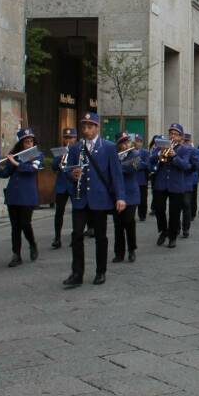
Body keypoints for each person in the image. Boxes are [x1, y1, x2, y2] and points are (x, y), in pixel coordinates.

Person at [63, 112, 126, 287]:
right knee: (76, 235)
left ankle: (100, 271)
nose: (86, 130)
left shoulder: (108, 147)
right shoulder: (76, 148)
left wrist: (120, 197)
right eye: (84, 126)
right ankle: (77, 273)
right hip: (80, 198)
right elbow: (68, 169)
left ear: (97, 128)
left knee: (100, 236)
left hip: (100, 198)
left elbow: (116, 174)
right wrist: (72, 174)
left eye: (90, 126)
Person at [0, 127, 42, 267]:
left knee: (25, 223)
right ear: (21, 144)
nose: (29, 144)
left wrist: (16, 163)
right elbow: (6, 173)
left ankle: (32, 243)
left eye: (31, 141)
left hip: (27, 196)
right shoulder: (15, 155)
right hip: (13, 195)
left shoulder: (37, 155)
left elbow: (31, 169)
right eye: (26, 142)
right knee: (15, 226)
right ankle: (16, 255)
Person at [150, 124, 198, 247]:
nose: (172, 136)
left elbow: (186, 166)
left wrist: (174, 156)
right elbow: (151, 158)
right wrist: (159, 154)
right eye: (171, 133)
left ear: (180, 137)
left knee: (174, 212)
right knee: (159, 208)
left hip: (176, 184)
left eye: (175, 134)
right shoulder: (161, 146)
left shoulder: (185, 149)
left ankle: (172, 236)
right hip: (161, 183)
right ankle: (163, 230)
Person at [113, 132, 141, 263]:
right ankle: (119, 253)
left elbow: (133, 167)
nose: (125, 145)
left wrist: (117, 166)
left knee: (129, 222)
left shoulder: (135, 154)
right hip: (117, 194)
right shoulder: (113, 155)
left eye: (127, 142)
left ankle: (132, 250)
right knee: (118, 224)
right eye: (122, 142)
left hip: (131, 194)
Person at [51, 127, 78, 248]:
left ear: (75, 138)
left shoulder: (78, 150)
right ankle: (57, 237)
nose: (68, 140)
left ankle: (75, 236)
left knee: (76, 212)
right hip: (62, 185)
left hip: (73, 184)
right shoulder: (60, 150)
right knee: (59, 212)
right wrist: (60, 157)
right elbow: (53, 167)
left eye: (71, 137)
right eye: (66, 137)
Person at [134, 134, 150, 222]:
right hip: (132, 178)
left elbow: (146, 164)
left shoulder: (145, 152)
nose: (138, 143)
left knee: (143, 198)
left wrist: (136, 164)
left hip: (142, 179)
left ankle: (142, 214)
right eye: (136, 141)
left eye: (140, 141)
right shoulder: (130, 151)